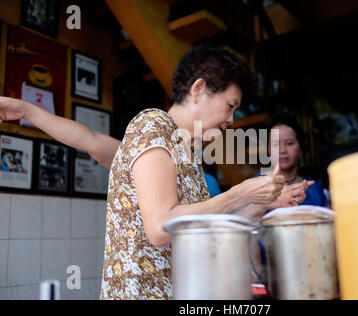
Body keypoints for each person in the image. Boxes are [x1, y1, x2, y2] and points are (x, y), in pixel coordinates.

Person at [0, 46, 301, 300]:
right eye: (229, 106)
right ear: (198, 90)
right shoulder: (152, 126)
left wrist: (261, 202)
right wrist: (242, 192)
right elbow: (160, 228)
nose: (231, 120)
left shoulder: (182, 153)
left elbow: (91, 141)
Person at [268, 115, 330, 207]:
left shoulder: (314, 187)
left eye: (289, 143)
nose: (282, 150)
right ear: (268, 149)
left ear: (301, 148)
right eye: (275, 144)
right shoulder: (256, 186)